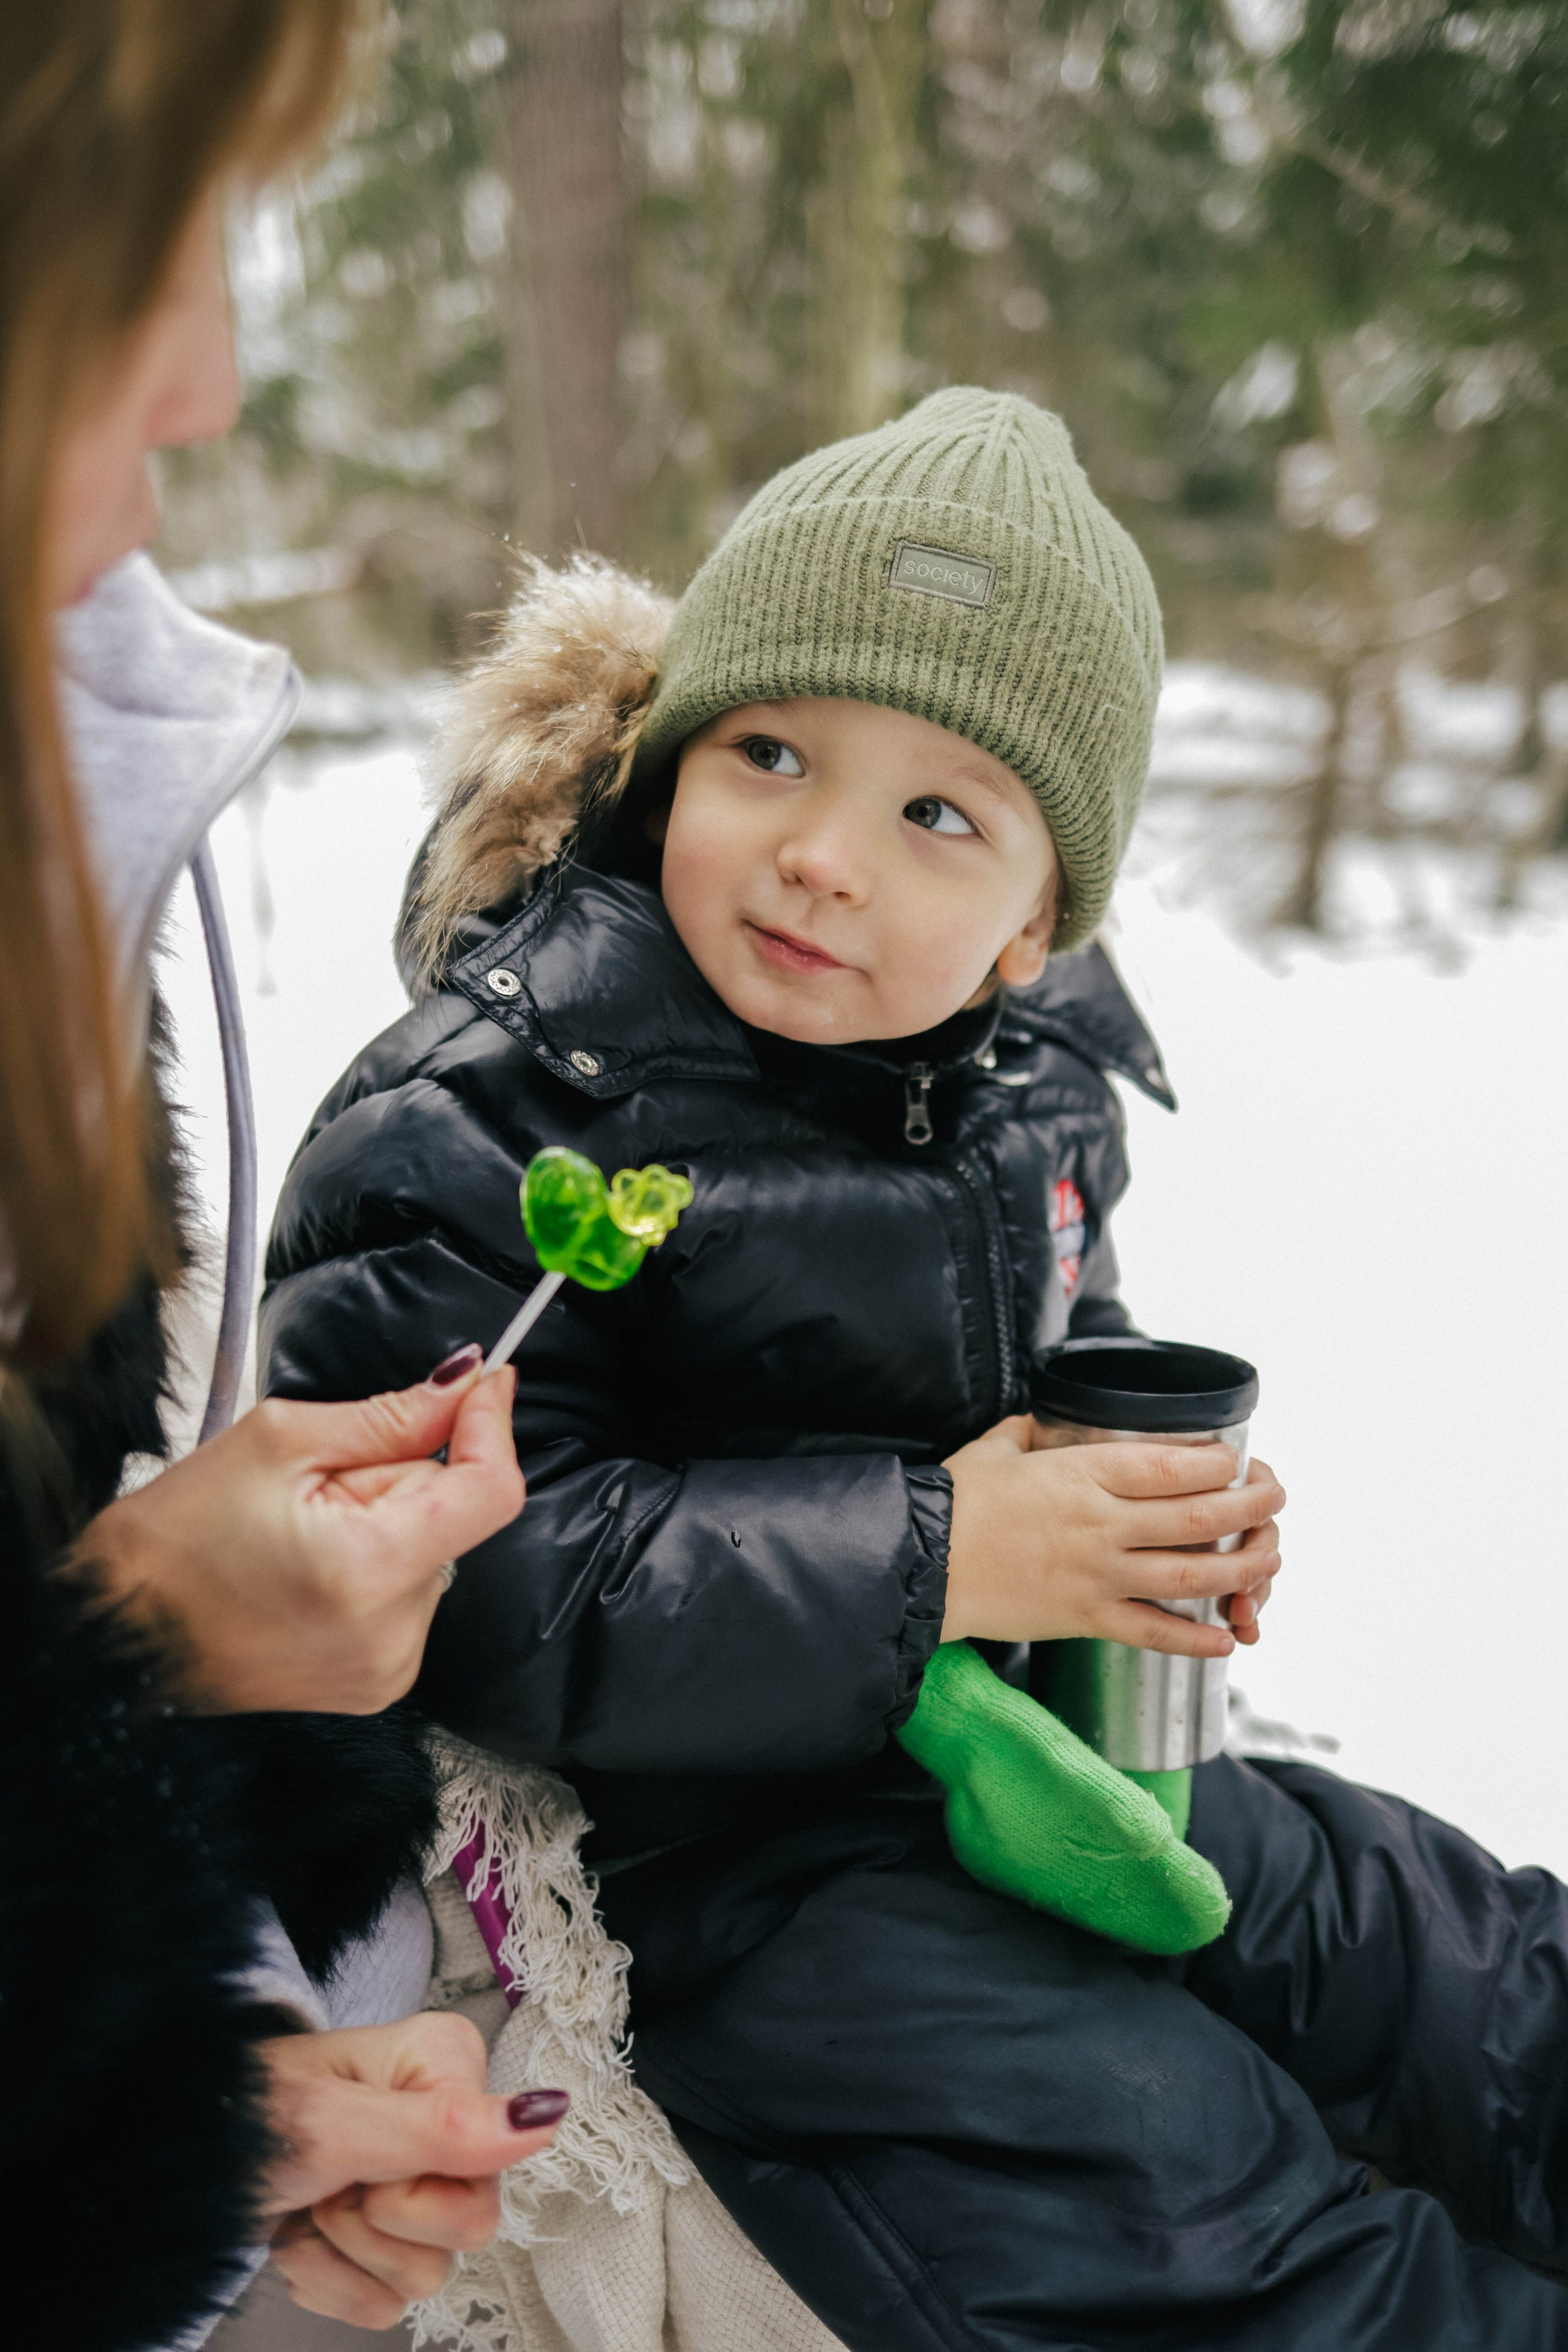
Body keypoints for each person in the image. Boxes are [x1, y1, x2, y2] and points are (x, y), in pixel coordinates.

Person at [262, 388, 1568, 2349]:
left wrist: (1142, 1522)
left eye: (936, 813)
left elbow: (1061, 1351)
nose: (820, 858)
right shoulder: (503, 1104)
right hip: (710, 1845)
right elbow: (476, 1593)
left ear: (1037, 919)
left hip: (1015, 1736)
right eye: (770, 752)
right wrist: (954, 1549)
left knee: (1392, 1920)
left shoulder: (1022, 1084)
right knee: (1135, 2152)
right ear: (667, 754)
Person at [0, 9, 567, 2347]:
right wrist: (141, 1650)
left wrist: (211, 2092)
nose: (214, 379)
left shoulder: (74, 817)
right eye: (150, 248)